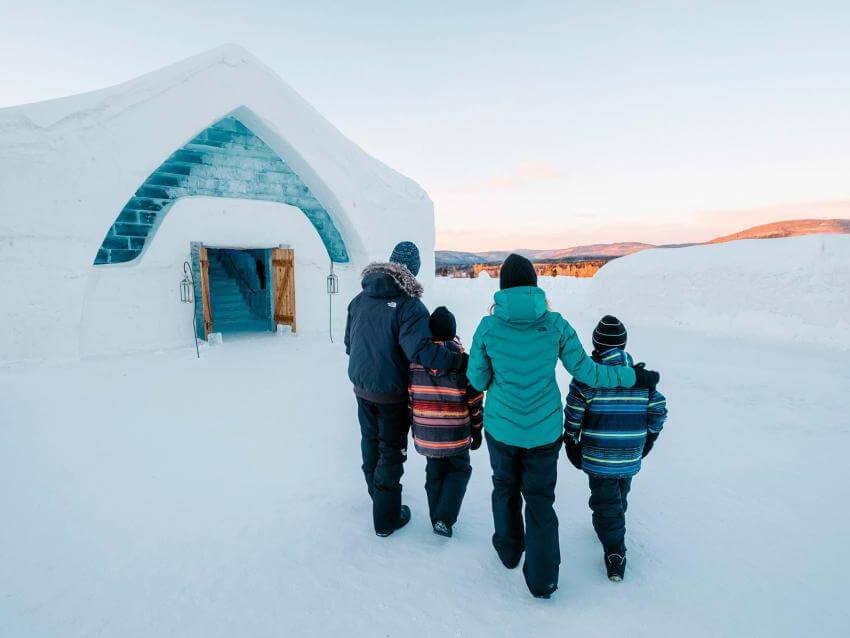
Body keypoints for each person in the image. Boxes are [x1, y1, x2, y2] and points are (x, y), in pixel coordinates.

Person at [466, 253, 660, 599]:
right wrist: (634, 376)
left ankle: (509, 550)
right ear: (534, 286)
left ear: (503, 288)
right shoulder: (555, 324)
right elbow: (588, 372)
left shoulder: (488, 327)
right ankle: (543, 581)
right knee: (540, 500)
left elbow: (477, 381)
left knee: (504, 487)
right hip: (543, 431)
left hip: (502, 429)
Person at [345, 241, 466, 537]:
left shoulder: (360, 298)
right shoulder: (409, 305)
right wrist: (460, 362)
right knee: (390, 452)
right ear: (413, 271)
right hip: (391, 393)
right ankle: (386, 518)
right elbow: (422, 353)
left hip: (362, 386)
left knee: (370, 443)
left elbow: (349, 343)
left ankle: (379, 499)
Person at [563, 315, 668, 582]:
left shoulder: (588, 379)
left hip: (599, 455)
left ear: (596, 345)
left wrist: (571, 439)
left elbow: (574, 412)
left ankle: (615, 551)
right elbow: (658, 409)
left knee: (605, 502)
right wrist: (649, 439)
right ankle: (613, 524)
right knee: (619, 493)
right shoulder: (642, 379)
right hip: (630, 452)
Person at [409, 306, 483, 538]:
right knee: (459, 470)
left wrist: (415, 424)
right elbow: (474, 399)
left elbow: (411, 396)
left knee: (434, 472)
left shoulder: (415, 363)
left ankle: (437, 517)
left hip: (427, 433)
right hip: (456, 433)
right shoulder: (463, 362)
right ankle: (444, 517)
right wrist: (477, 429)